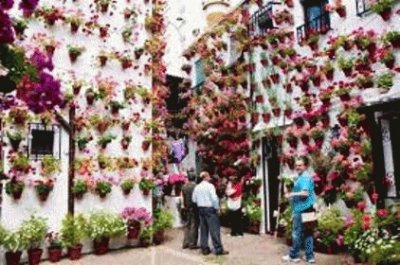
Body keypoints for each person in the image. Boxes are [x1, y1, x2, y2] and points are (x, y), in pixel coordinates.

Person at [282, 156, 316, 264]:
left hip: (302, 209)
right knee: (308, 233)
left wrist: (292, 193)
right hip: (309, 208)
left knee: (297, 233)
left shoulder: (304, 177)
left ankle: (293, 255)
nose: (298, 167)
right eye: (296, 165)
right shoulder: (303, 176)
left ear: (305, 166)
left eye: (300, 165)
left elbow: (305, 193)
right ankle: (310, 257)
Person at [192, 171, 229, 256]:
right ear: (205, 177)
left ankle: (204, 248)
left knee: (203, 229)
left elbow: (194, 199)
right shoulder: (210, 186)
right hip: (210, 209)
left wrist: (200, 202)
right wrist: (217, 208)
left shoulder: (197, 187)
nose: (210, 177)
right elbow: (214, 198)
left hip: (201, 209)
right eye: (208, 176)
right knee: (214, 229)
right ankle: (218, 249)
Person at [182, 170, 199, 249]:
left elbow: (183, 197)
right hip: (194, 207)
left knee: (187, 225)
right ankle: (192, 243)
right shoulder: (196, 186)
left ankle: (186, 242)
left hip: (186, 207)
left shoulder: (184, 186)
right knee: (194, 225)